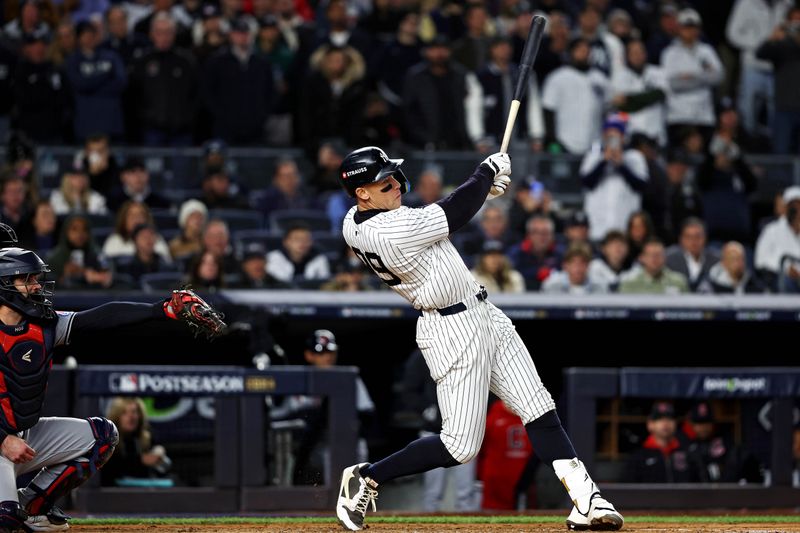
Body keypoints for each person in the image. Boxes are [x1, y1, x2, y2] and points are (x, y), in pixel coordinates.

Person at [334, 146, 623, 531]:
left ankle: (586, 499)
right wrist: (484, 174)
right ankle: (367, 476)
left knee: (538, 405)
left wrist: (482, 190)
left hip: (483, 311)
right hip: (450, 329)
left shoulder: (356, 220)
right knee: (459, 446)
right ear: (362, 193)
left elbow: (443, 211)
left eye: (393, 176)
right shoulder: (387, 231)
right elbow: (449, 214)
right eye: (383, 182)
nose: (395, 184)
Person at [0, 224, 219, 531]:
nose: (36, 286)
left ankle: (32, 507)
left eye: (36, 278)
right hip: (2, 440)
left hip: (19, 436)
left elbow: (101, 317)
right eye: (26, 279)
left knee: (102, 437)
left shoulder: (44, 324)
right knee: (5, 521)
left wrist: (163, 309)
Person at [579, 113, 649, 243]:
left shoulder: (635, 157)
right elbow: (586, 183)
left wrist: (621, 164)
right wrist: (604, 161)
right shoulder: (593, 156)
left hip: (625, 230)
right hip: (597, 229)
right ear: (604, 136)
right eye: (609, 135)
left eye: (616, 135)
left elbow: (641, 186)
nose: (612, 139)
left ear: (623, 137)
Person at [683, 401, 763, 484]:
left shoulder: (726, 443)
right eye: (699, 423)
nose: (703, 427)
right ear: (692, 425)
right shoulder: (686, 446)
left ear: (712, 423)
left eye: (707, 422)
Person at [623, 401, 702, 483]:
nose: (665, 423)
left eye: (669, 419)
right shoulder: (638, 457)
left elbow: (700, 487)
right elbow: (628, 491)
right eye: (659, 419)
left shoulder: (689, 453)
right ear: (650, 424)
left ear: (675, 423)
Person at [101, 397, 172, 486]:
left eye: (134, 412)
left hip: (143, 491)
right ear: (116, 416)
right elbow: (110, 471)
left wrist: (159, 457)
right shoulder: (107, 440)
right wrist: (141, 460)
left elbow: (164, 468)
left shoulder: (146, 437)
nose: (131, 417)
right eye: (124, 413)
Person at [754, 186, 800, 292]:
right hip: (779, 279)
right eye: (793, 206)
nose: (797, 211)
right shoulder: (771, 230)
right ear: (786, 208)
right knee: (786, 281)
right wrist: (786, 269)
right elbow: (760, 260)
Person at [664, 218, 719, 292]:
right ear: (681, 239)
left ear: (705, 238)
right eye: (688, 237)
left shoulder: (716, 260)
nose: (693, 241)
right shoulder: (668, 259)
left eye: (697, 237)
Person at [619, 238, 689, 294]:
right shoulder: (629, 283)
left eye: (658, 255)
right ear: (642, 258)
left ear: (664, 257)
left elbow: (688, 309)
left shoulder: (679, 282)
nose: (655, 259)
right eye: (651, 255)